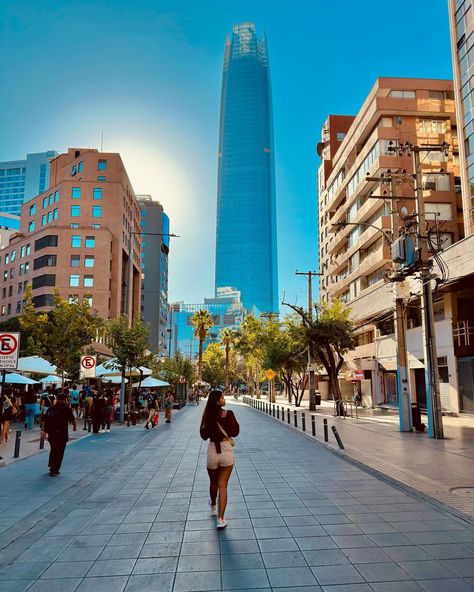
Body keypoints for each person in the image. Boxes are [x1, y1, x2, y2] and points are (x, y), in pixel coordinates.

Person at [200, 390, 239, 529]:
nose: (224, 398)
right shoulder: (228, 414)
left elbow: (203, 435)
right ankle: (221, 518)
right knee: (223, 485)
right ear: (217, 401)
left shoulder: (207, 415)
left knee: (213, 483)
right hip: (226, 450)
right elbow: (235, 432)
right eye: (222, 397)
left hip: (212, 450)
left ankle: (213, 504)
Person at [42, 392, 76, 476]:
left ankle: (51, 466)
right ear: (65, 400)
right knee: (59, 451)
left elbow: (44, 420)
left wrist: (43, 430)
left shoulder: (51, 408)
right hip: (62, 433)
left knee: (53, 449)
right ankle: (55, 469)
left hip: (52, 432)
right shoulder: (67, 409)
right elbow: (73, 420)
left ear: (57, 399)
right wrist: (74, 427)